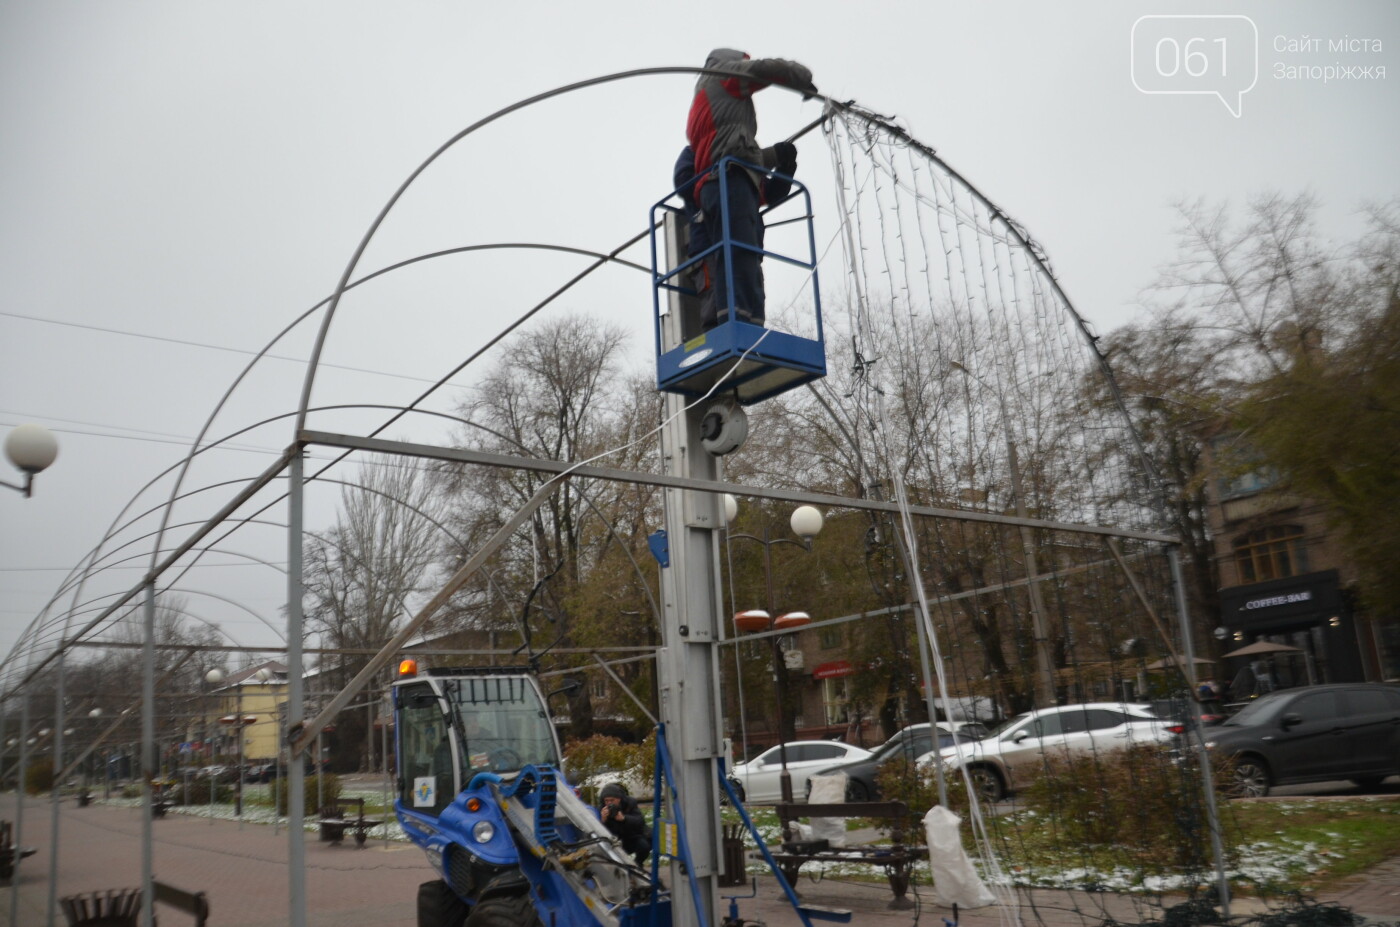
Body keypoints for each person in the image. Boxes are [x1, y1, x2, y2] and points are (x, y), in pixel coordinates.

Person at [686, 48, 816, 328]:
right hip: (726, 181)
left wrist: (781, 164)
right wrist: (800, 78)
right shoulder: (721, 79)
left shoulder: (719, 126)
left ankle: (747, 322)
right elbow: (764, 69)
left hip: (728, 183)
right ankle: (738, 322)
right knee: (738, 254)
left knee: (745, 257)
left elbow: (766, 194)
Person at [673, 142, 798, 329]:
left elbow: (769, 192)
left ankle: (752, 338)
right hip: (710, 247)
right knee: (717, 298)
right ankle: (718, 338)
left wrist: (786, 167)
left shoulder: (745, 172)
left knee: (751, 296)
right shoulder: (696, 150)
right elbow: (683, 182)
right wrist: (720, 170)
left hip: (747, 246)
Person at [598, 782, 651, 866]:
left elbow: (640, 821)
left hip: (631, 835)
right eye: (606, 801)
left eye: (612, 800)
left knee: (644, 847)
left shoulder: (630, 803)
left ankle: (638, 865)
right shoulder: (602, 808)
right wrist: (603, 821)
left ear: (619, 799)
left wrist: (624, 819)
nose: (609, 803)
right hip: (615, 838)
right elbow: (599, 831)